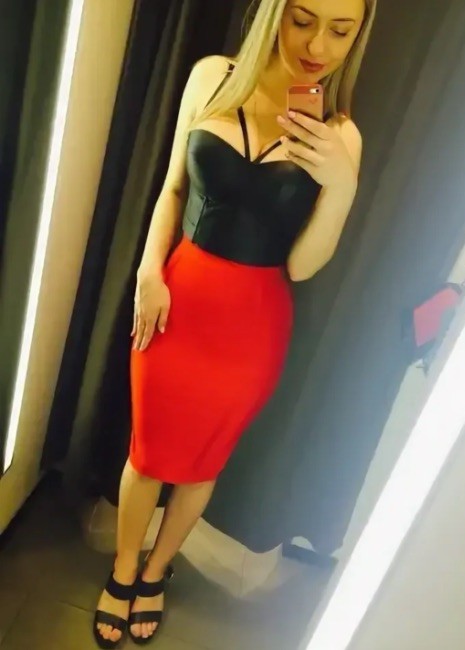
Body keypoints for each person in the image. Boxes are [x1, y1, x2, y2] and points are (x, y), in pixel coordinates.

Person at [93, 0, 376, 646]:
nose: (318, 46)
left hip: (253, 327)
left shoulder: (341, 134)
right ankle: (124, 568)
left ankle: (156, 572)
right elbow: (173, 189)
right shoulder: (210, 78)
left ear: (358, 35)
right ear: (273, 12)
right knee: (147, 454)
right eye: (303, 20)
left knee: (201, 465)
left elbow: (302, 265)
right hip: (175, 302)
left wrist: (341, 188)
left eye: (341, 30)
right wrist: (149, 272)